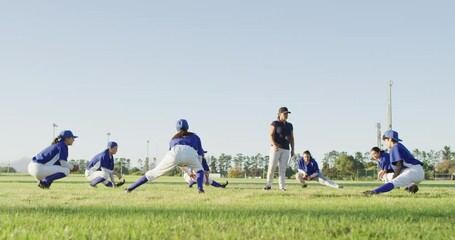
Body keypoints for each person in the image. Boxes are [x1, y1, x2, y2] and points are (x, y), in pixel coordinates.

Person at [126, 119, 207, 193]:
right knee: (199, 170)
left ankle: (130, 188)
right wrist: (201, 169)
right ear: (188, 127)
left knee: (154, 172)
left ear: (177, 129)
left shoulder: (173, 139)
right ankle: (200, 188)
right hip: (190, 153)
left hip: (174, 153)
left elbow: (178, 159)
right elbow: (200, 154)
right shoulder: (195, 137)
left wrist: (188, 172)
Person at [363, 130, 424, 195]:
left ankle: (374, 192)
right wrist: (387, 171)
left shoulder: (394, 148)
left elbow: (399, 165)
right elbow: (400, 165)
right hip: (415, 170)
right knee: (396, 179)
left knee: (393, 182)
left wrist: (393, 179)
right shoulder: (399, 145)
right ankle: (410, 187)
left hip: (413, 171)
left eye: (386, 140)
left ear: (390, 139)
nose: (385, 143)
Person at [264, 107, 295, 191]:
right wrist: (274, 145)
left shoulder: (289, 125)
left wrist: (292, 150)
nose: (286, 115)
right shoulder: (275, 123)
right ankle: (268, 185)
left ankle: (282, 187)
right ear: (280, 114)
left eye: (287, 113)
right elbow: (271, 135)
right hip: (276, 148)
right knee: (272, 167)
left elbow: (292, 138)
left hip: (286, 149)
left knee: (283, 169)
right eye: (285, 113)